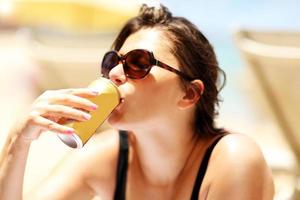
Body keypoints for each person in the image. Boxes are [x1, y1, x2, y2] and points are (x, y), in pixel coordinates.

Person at [0, 4, 274, 200]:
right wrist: (17, 142)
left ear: (189, 94)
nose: (116, 74)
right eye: (112, 62)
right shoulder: (105, 158)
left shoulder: (233, 160)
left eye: (138, 63)